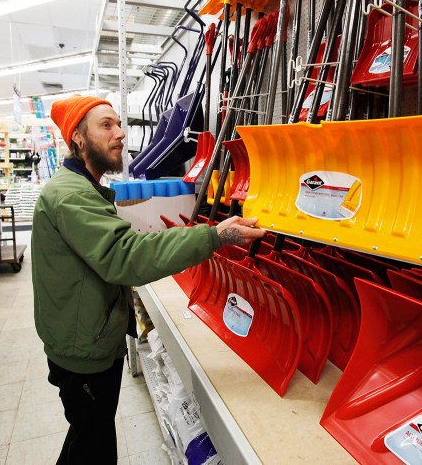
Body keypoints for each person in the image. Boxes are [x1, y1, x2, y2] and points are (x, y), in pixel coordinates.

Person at [31, 95, 264, 464]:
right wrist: (215, 236)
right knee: (94, 449)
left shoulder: (81, 189)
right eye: (106, 125)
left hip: (82, 340)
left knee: (86, 435)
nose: (120, 133)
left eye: (118, 124)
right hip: (82, 353)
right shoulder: (70, 196)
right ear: (78, 138)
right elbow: (124, 256)